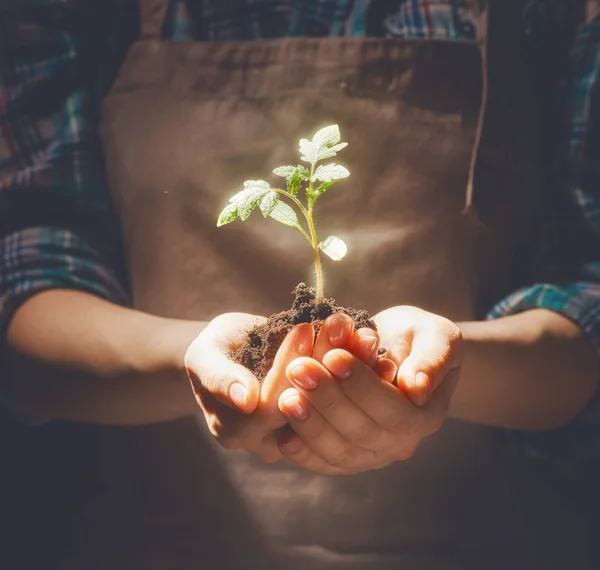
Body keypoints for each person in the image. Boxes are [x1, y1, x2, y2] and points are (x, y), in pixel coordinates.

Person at [1, 0, 600, 568]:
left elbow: (585, 295)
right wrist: (200, 356)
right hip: (156, 537)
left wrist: (440, 365)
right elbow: (27, 298)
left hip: (480, 537)